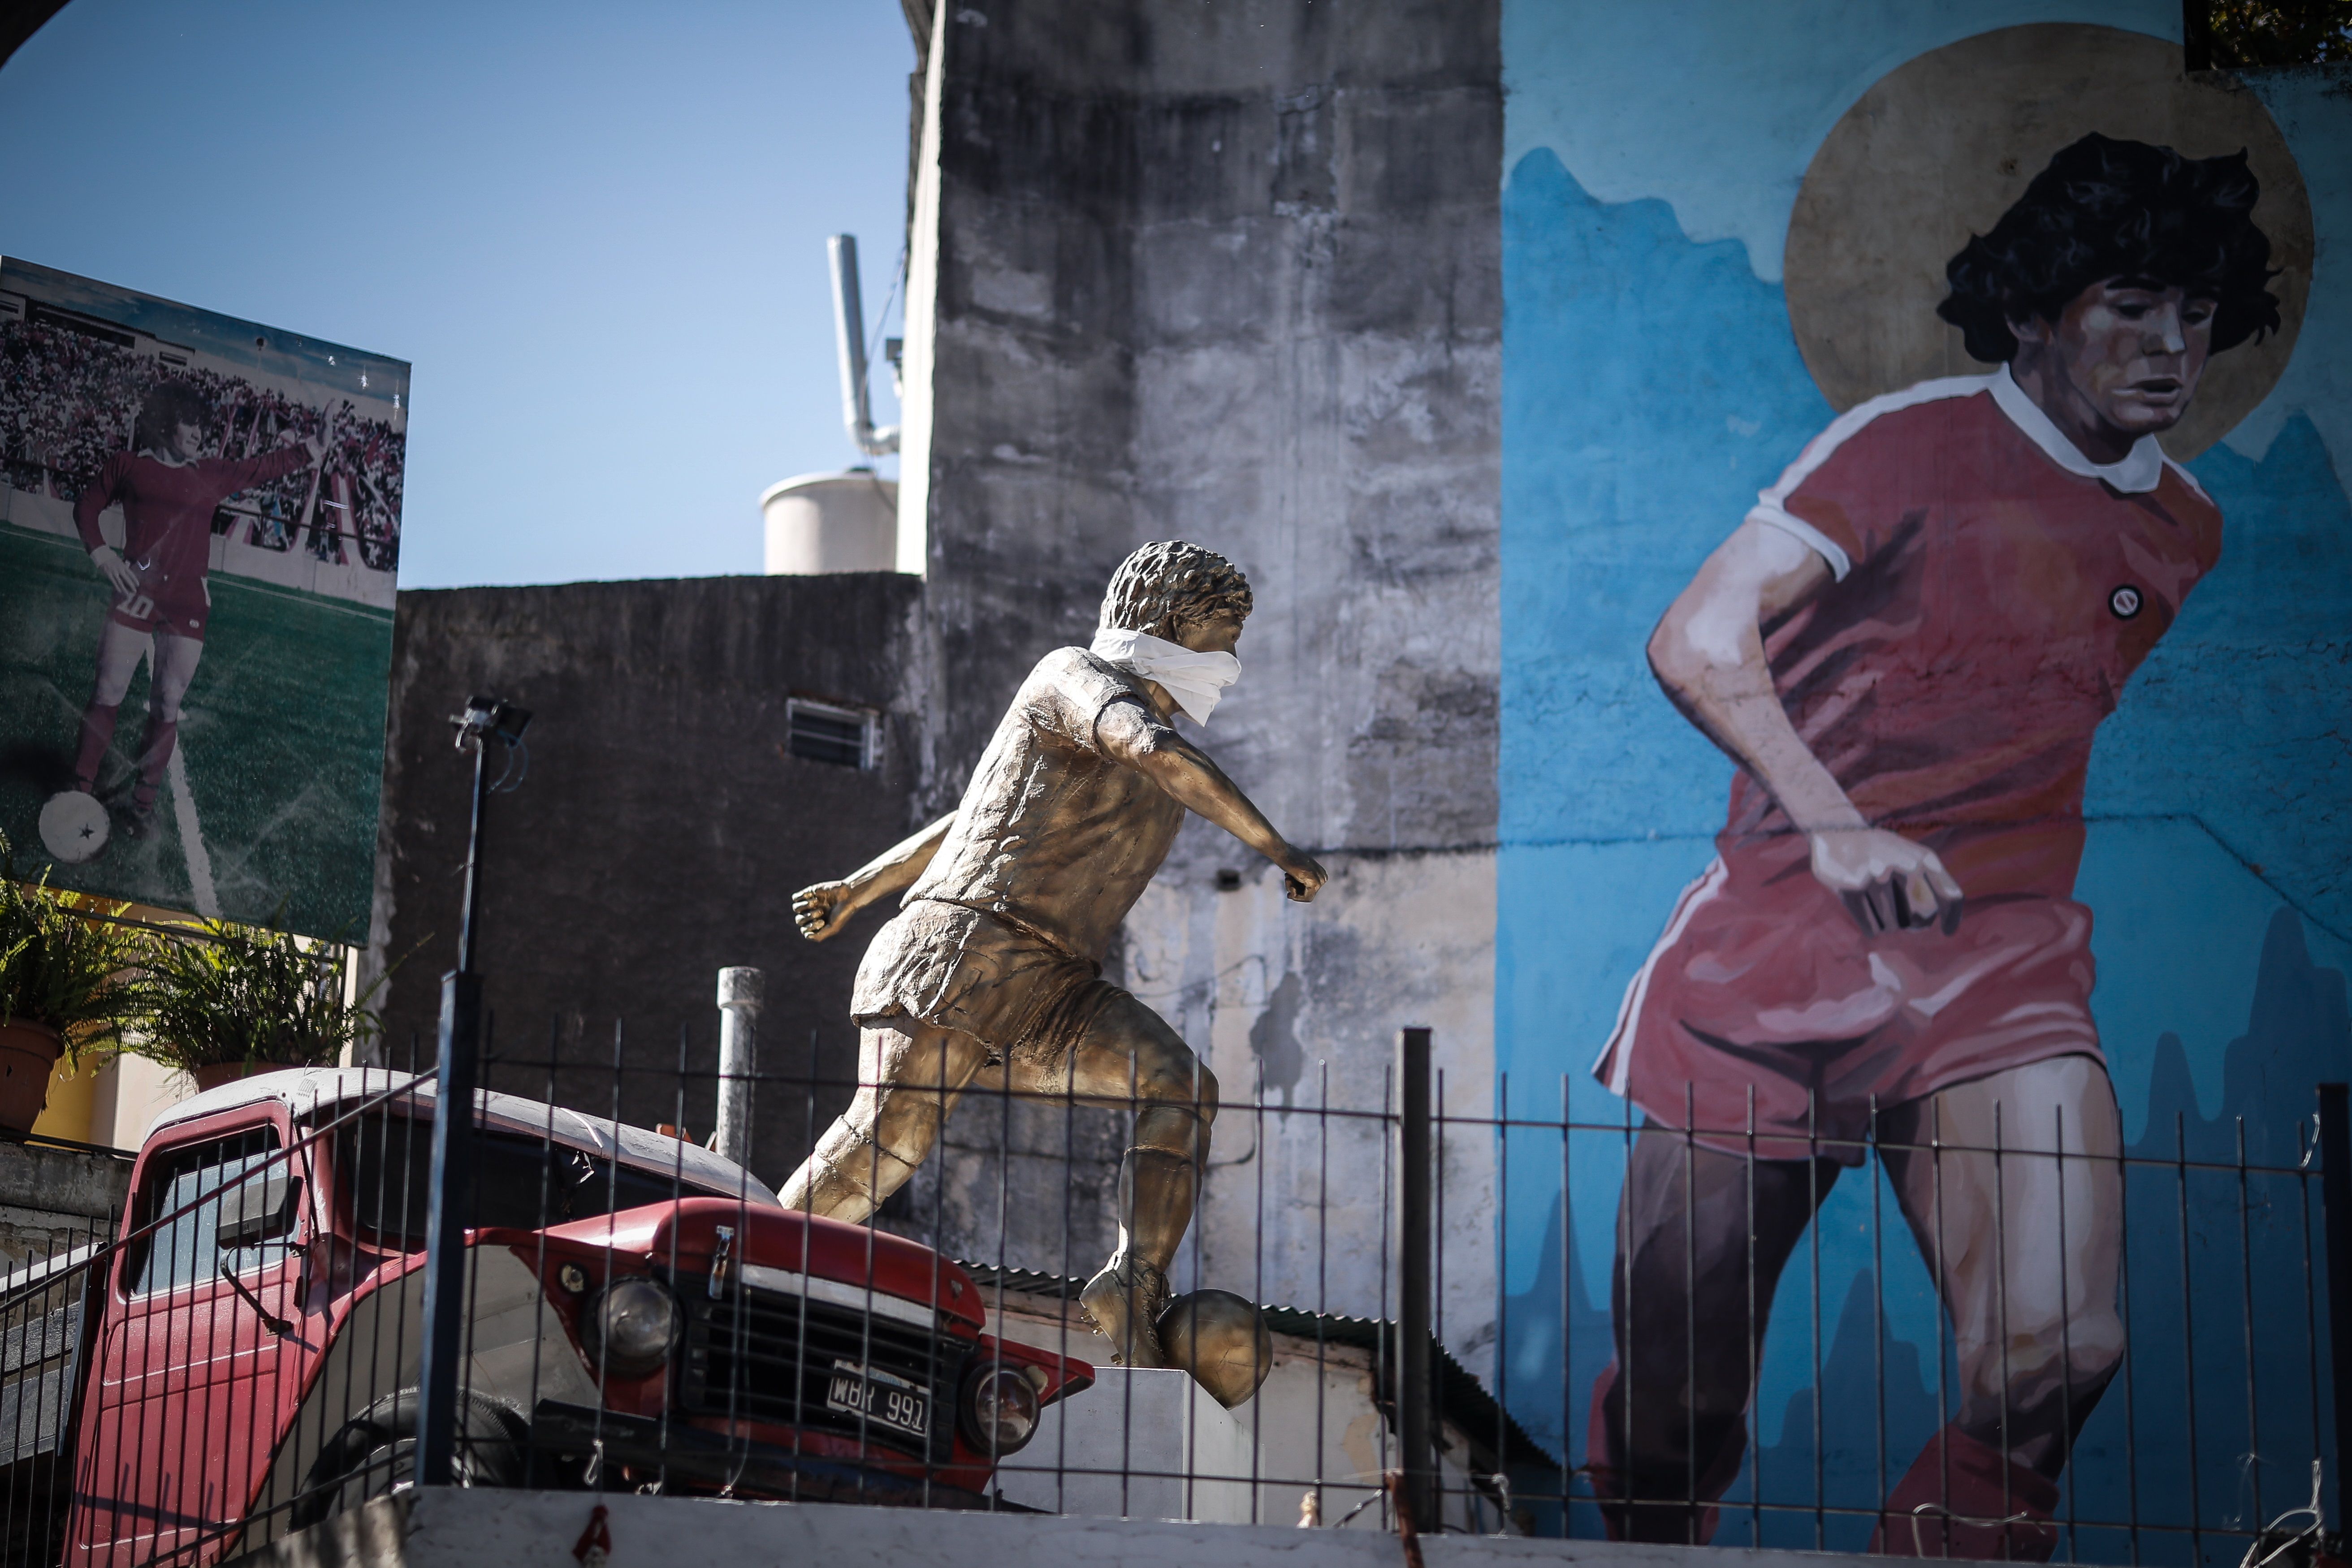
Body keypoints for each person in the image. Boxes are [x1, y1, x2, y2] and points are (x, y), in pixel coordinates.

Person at [1586, 134, 2279, 1557]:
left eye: (2196, 313)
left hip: (1999, 967)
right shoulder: (1906, 443)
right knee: (1676, 1414)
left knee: (2059, 1351)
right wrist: (1836, 824)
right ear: (2033, 308)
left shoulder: (2184, 527)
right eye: (2130, 302)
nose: (2169, 345)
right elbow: (1696, 636)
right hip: (1770, 958)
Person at [783, 540, 1327, 1370]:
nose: (1232, 653)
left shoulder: (1153, 735)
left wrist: (854, 885)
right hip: (963, 946)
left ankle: (1132, 1281)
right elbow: (1138, 754)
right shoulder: (1076, 677)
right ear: (1172, 620)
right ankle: (750, 1255)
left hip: (1055, 986)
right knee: (885, 1143)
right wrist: (1278, 846)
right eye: (1223, 627)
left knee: (1180, 1087)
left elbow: (965, 817)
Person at [68, 381, 325, 835]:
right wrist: (104, 556)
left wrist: (314, 446)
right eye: (192, 423)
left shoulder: (210, 471)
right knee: (109, 690)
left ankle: (142, 807)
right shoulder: (128, 465)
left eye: (204, 426)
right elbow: (87, 507)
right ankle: (80, 792)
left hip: (187, 604)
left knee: (168, 702)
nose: (200, 433)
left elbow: (262, 467)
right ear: (167, 422)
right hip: (134, 593)